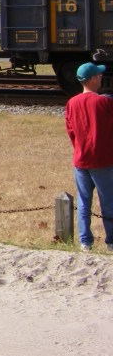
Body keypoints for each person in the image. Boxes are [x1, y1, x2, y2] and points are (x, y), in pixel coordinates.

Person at [64, 61, 113, 252]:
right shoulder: (104, 102)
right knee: (108, 201)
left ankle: (85, 241)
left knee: (84, 202)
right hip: (102, 160)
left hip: (81, 160)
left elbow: (71, 132)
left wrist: (79, 149)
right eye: (99, 76)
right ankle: (110, 241)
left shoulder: (72, 103)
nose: (101, 78)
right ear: (93, 79)